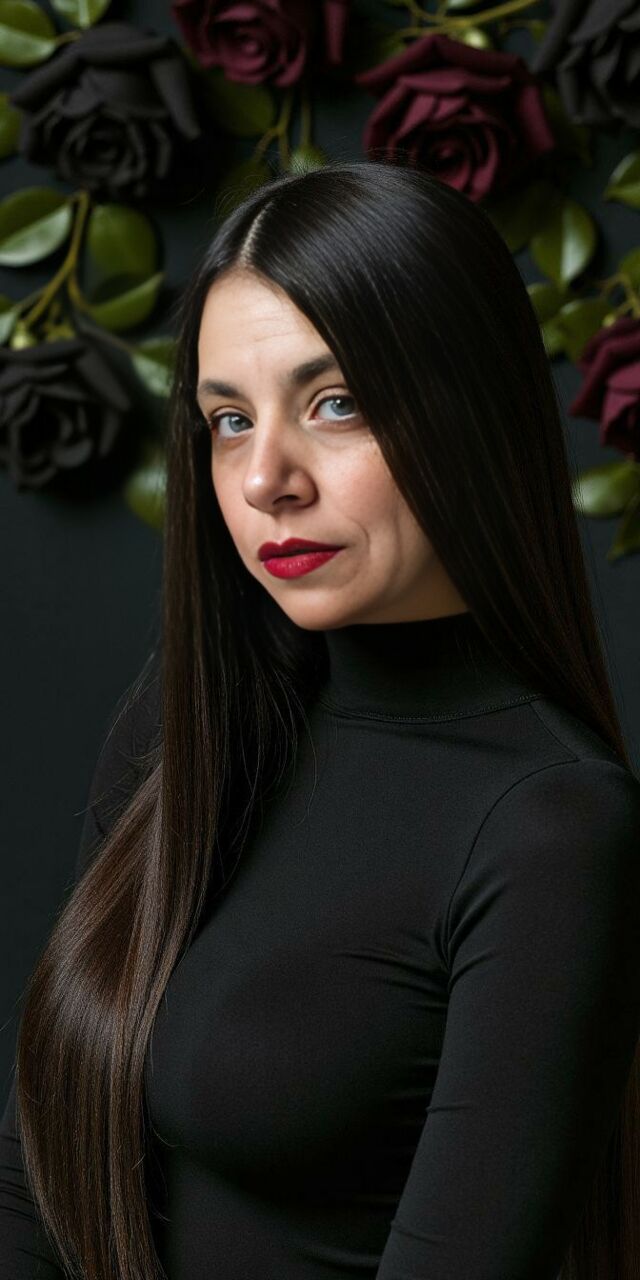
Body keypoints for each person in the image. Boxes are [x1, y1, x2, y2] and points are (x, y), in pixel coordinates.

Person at [1, 159, 640, 1280]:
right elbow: (37, 1166)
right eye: (228, 419)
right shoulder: (189, 721)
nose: (266, 479)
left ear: (472, 411)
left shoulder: (553, 829)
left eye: (334, 402)